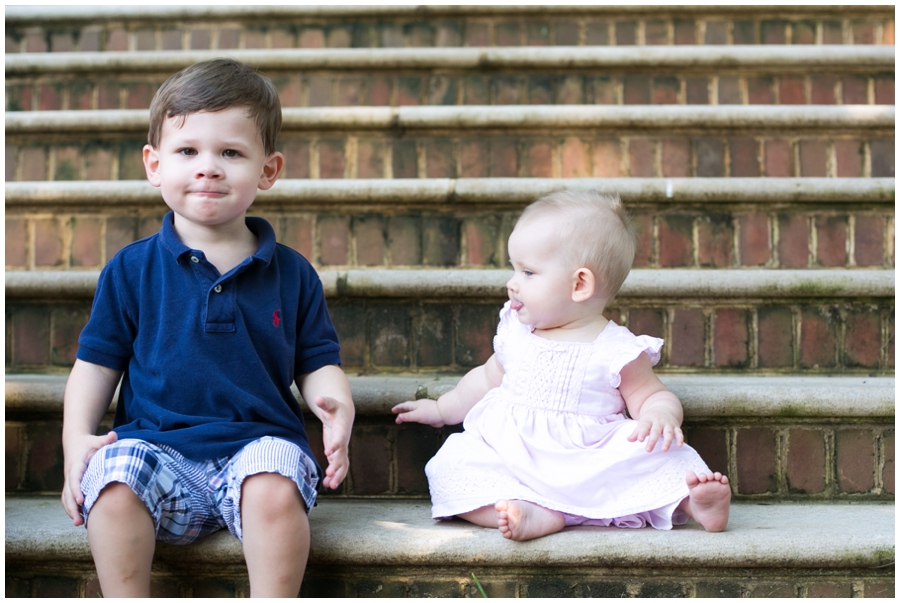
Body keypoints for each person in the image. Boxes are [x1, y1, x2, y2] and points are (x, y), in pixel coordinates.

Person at [61, 59, 355, 597]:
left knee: (273, 480)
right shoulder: (132, 269)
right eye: (188, 151)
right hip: (157, 448)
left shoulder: (291, 273)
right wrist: (74, 440)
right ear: (154, 164)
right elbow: (96, 363)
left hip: (257, 448)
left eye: (231, 153)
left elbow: (316, 360)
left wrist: (335, 403)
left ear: (268, 170)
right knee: (115, 479)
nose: (209, 167)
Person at [392, 190, 730, 542]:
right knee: (451, 464)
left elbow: (651, 395)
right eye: (513, 269)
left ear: (580, 284)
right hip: (514, 454)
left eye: (527, 271)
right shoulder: (516, 332)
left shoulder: (616, 349)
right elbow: (487, 378)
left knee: (661, 453)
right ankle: (536, 511)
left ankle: (695, 503)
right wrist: (441, 408)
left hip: (588, 462)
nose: (512, 282)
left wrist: (660, 416)